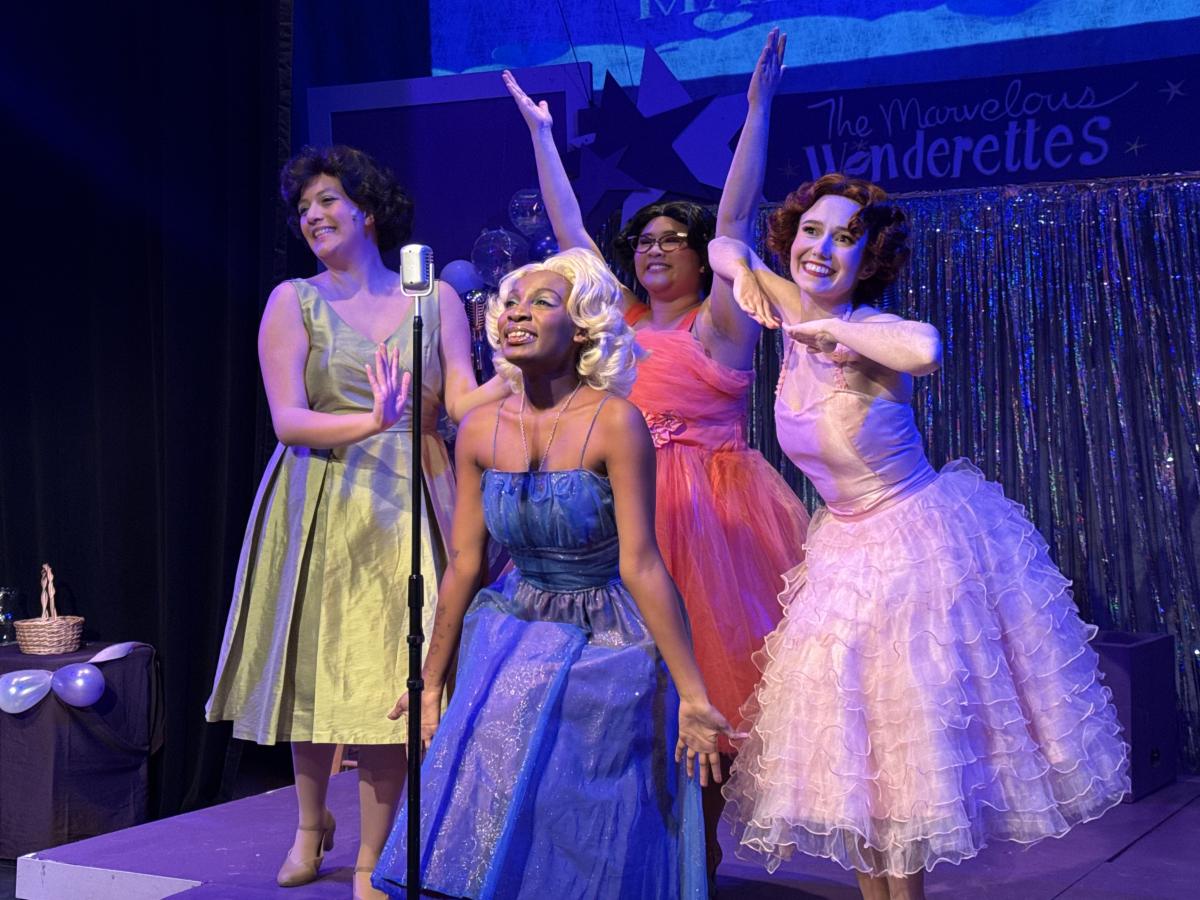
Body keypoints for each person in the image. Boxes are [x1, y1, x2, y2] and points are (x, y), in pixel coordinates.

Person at [709, 174, 1131, 900]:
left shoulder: (869, 331)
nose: (822, 249)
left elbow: (925, 348)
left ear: (867, 256)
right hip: (843, 553)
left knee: (902, 760)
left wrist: (837, 332)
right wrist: (743, 273)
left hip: (914, 548)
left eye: (845, 238)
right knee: (853, 761)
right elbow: (722, 243)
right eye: (811, 231)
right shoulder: (787, 303)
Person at [503, 30, 810, 874]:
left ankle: (697, 857)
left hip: (708, 519)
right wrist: (541, 136)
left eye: (671, 238)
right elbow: (572, 238)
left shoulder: (721, 322)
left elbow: (737, 218)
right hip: (622, 511)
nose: (652, 249)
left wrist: (757, 109)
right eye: (643, 240)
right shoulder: (621, 325)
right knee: (621, 695)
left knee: (707, 686)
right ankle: (636, 854)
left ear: (699, 256)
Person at [372, 248, 733, 899]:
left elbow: (641, 562)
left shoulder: (615, 421)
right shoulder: (479, 429)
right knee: (494, 789)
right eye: (511, 303)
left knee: (582, 809)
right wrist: (430, 681)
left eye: (542, 303)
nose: (517, 314)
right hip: (515, 623)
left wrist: (694, 696)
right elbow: (465, 563)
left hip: (606, 633)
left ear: (583, 329)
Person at [205, 145, 504, 900]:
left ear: (367, 209)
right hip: (321, 495)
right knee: (316, 666)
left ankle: (373, 856)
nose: (312, 215)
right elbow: (288, 420)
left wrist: (523, 373)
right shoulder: (293, 301)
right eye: (303, 207)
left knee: (392, 676)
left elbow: (461, 402)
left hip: (415, 496)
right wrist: (371, 421)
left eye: (328, 200)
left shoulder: (433, 300)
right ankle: (311, 825)